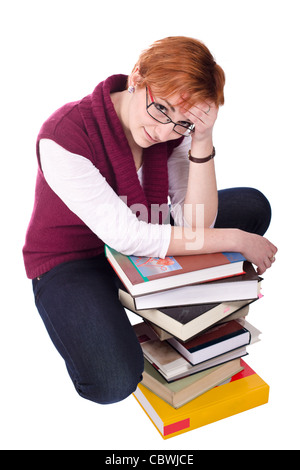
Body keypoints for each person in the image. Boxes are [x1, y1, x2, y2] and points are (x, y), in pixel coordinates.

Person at [23, 36, 277, 405]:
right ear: (137, 77)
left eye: (182, 123)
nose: (163, 131)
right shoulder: (64, 134)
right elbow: (128, 236)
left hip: (150, 226)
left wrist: (201, 138)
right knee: (112, 382)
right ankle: (110, 306)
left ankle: (143, 296)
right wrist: (235, 239)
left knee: (254, 205)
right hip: (78, 257)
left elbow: (195, 223)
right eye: (160, 109)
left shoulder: (178, 127)